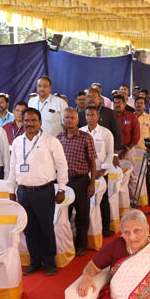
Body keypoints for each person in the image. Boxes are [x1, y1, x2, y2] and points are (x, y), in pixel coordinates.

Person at [6, 108, 68, 276]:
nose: (29, 124)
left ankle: (49, 262)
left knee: (46, 228)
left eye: (33, 120)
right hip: (24, 192)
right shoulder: (18, 142)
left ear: (40, 122)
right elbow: (12, 167)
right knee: (29, 229)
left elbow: (62, 166)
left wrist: (61, 188)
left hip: (44, 191)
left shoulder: (51, 141)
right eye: (26, 120)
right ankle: (34, 262)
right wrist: (11, 190)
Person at [58, 108, 96, 257]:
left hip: (81, 181)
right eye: (66, 117)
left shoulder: (86, 137)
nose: (69, 120)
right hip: (63, 182)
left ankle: (81, 245)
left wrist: (92, 183)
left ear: (78, 120)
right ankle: (66, 245)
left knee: (82, 215)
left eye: (72, 118)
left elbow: (93, 162)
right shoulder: (58, 138)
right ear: (63, 120)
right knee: (64, 215)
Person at [83, 106, 115, 238]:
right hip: (84, 173)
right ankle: (89, 229)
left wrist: (102, 171)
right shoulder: (81, 132)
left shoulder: (105, 133)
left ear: (98, 117)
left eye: (93, 115)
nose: (90, 117)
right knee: (86, 201)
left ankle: (106, 227)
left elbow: (110, 153)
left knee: (103, 201)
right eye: (88, 115)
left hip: (100, 172)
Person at [113, 93, 139, 161]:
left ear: (124, 104)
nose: (117, 105)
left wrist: (127, 149)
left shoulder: (132, 117)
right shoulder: (109, 116)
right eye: (115, 103)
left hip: (128, 149)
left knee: (130, 170)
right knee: (114, 171)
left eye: (119, 102)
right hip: (112, 151)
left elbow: (136, 136)